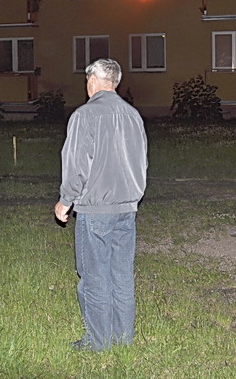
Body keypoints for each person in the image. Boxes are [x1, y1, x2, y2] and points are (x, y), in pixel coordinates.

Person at [54, 58, 148, 352]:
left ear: (92, 81)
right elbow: (142, 161)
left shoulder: (85, 115)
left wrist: (65, 200)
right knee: (121, 274)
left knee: (93, 277)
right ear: (115, 83)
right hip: (127, 207)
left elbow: (76, 163)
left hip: (96, 209)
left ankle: (98, 342)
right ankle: (124, 338)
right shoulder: (133, 115)